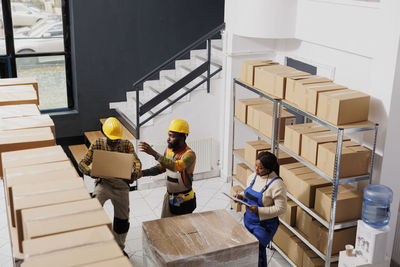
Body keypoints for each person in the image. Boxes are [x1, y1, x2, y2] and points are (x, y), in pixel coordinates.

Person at [78, 117, 141, 253]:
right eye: (111, 138)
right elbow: (82, 164)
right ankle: (96, 245)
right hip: (104, 184)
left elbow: (137, 162)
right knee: (93, 212)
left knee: (122, 220)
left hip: (121, 186)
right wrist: (91, 172)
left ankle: (119, 248)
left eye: (116, 138)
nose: (113, 140)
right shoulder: (97, 144)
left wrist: (134, 173)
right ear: (104, 133)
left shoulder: (126, 146)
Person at [234, 151, 287, 267]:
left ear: (269, 169)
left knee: (257, 251)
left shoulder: (277, 184)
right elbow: (248, 192)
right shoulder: (253, 177)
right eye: (256, 166)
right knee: (248, 249)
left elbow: (281, 208)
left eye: (261, 168)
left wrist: (258, 210)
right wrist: (241, 196)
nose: (256, 170)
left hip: (264, 226)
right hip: (249, 220)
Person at [137, 119, 196, 218]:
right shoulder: (169, 150)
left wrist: (154, 153)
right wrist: (143, 173)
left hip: (183, 199)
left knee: (179, 227)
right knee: (165, 225)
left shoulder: (189, 155)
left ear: (182, 137)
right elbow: (162, 168)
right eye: (168, 135)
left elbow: (176, 166)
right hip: (170, 197)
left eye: (172, 136)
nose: (168, 139)